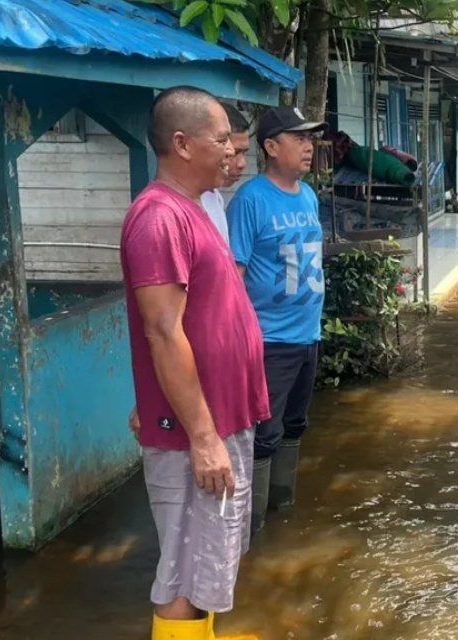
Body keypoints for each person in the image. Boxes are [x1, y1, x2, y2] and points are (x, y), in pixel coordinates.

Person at [120, 86, 268, 640]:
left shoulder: (195, 209)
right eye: (222, 140)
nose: (231, 151)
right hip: (196, 431)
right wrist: (203, 437)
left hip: (220, 415)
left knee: (208, 561)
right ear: (182, 144)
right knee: (184, 573)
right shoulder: (158, 218)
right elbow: (161, 330)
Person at [226, 105, 328, 535]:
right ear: (271, 147)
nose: (309, 147)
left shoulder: (307, 196)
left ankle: (282, 511)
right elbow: (235, 278)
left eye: (310, 139)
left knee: (295, 424)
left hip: (308, 335)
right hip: (269, 340)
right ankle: (253, 532)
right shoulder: (250, 200)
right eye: (299, 138)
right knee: (264, 435)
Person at [200, 104, 252, 241]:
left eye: (244, 152)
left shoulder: (215, 196)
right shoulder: (170, 207)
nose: (242, 164)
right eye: (235, 152)